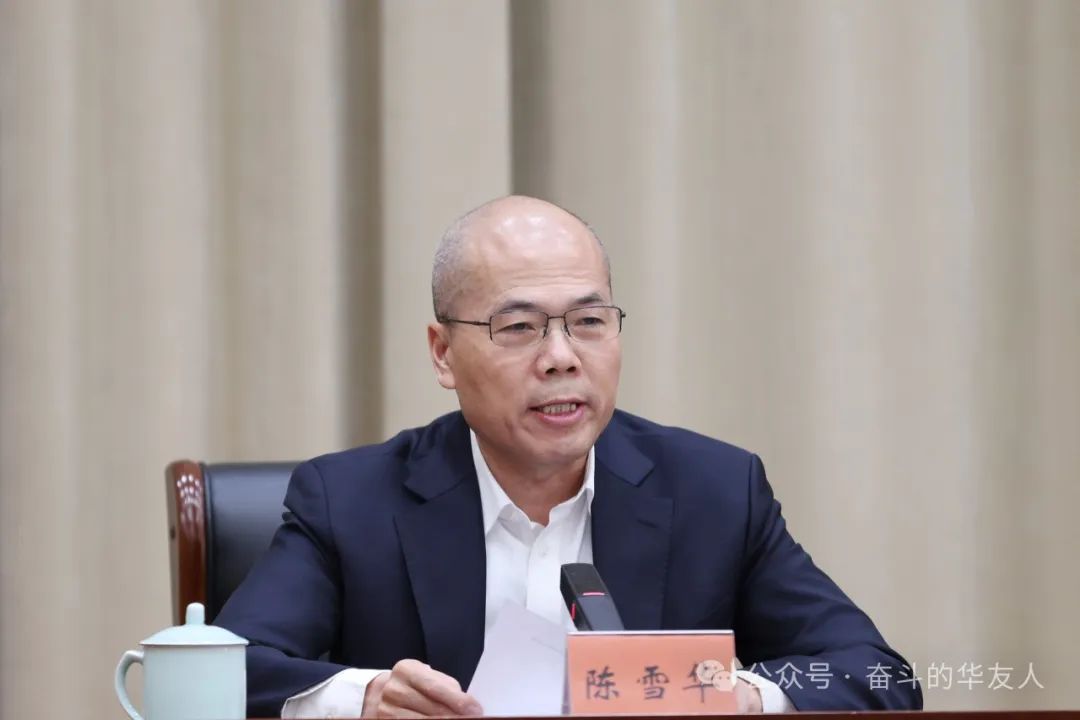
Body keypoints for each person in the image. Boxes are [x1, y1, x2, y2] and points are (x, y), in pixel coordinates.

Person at [215, 195, 923, 718]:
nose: (561, 358)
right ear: (443, 352)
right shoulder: (350, 502)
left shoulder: (715, 491)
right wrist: (364, 697)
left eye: (588, 321)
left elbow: (879, 675)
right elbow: (221, 675)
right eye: (519, 327)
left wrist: (742, 696)